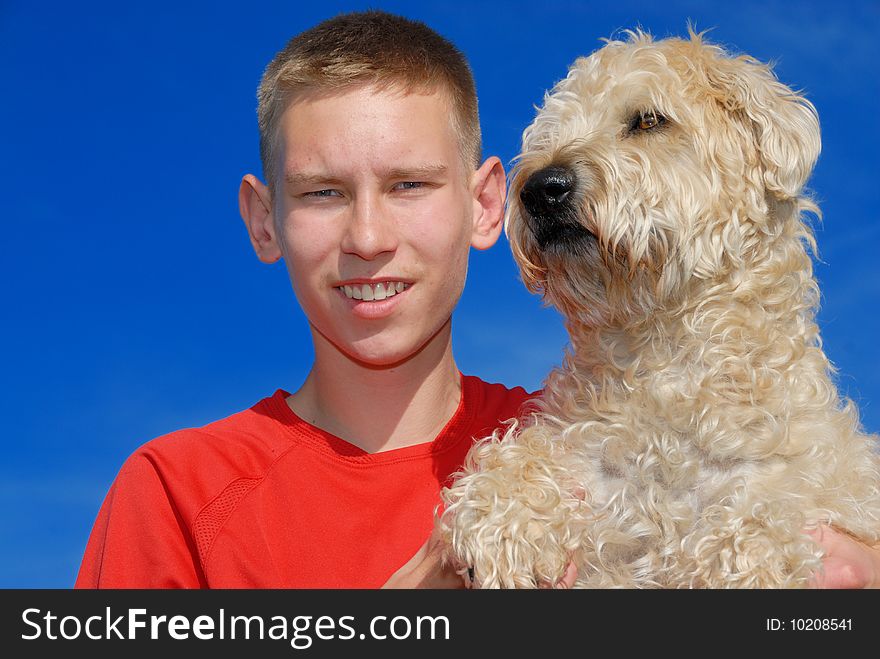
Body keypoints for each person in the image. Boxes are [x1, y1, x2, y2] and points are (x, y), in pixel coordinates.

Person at [74, 10, 879, 590]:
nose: (367, 235)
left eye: (409, 185)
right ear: (264, 219)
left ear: (487, 203)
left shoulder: (573, 447)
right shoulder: (175, 494)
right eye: (321, 192)